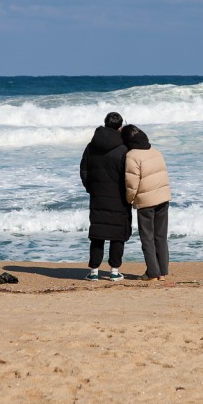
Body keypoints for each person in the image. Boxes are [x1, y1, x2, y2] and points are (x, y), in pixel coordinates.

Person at [79, 112, 132, 281]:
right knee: (117, 234)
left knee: (98, 233)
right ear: (120, 126)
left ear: (105, 123)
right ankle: (114, 271)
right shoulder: (124, 148)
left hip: (98, 195)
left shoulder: (91, 146)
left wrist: (91, 188)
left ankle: (94, 271)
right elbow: (129, 174)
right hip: (119, 197)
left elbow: (84, 170)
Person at [122, 124, 171, 281]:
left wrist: (129, 200)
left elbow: (131, 184)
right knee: (161, 237)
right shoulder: (155, 151)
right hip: (163, 198)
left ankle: (152, 272)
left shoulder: (132, 156)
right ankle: (162, 272)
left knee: (147, 238)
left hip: (146, 202)